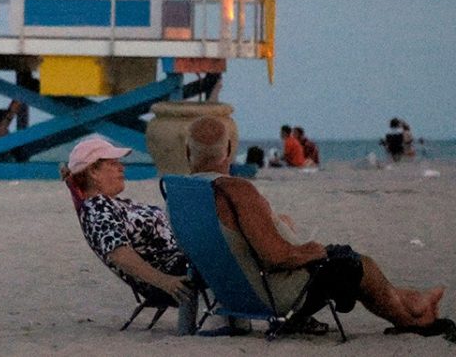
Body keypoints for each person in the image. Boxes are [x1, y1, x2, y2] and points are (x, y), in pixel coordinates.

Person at [186, 116, 451, 336]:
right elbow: (274, 256)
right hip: (271, 296)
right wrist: (311, 251)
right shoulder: (235, 189)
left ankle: (413, 302)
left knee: (341, 259)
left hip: (230, 291)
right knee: (358, 265)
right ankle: (410, 320)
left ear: (188, 152)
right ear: (230, 149)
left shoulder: (183, 193)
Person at [64, 137, 195, 308]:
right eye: (113, 163)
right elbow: (119, 253)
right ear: (93, 172)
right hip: (176, 269)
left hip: (184, 260)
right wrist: (166, 282)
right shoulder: (98, 208)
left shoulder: (108, 204)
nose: (121, 167)